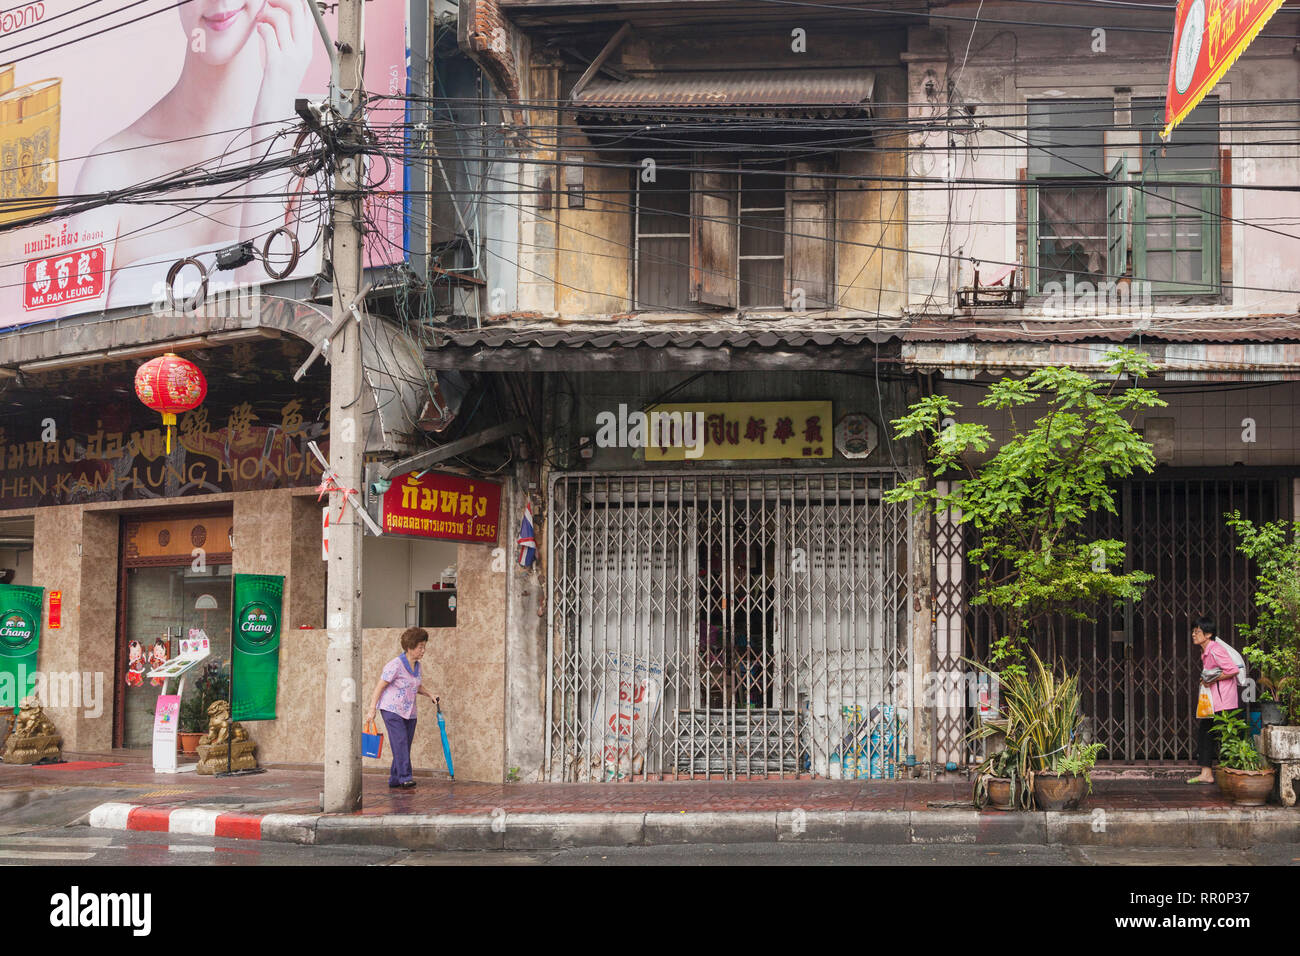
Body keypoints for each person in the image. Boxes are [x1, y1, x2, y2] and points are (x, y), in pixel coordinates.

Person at [70, 0, 316, 309]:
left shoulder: (318, 148)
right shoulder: (110, 167)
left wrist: (272, 112)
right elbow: (64, 347)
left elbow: (270, 317)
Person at [366, 628, 438, 789]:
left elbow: (416, 686)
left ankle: (395, 778)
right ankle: (405, 777)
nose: (423, 650)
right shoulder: (395, 665)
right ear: (410, 647)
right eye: (420, 647)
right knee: (400, 742)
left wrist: (430, 694)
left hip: (410, 711)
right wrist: (372, 709)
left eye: (424, 646)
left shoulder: (417, 666)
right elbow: (379, 687)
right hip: (392, 710)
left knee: (404, 745)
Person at [1188, 616, 1239, 784]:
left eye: (1198, 632)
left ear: (1208, 634)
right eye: (1193, 631)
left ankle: (1229, 774)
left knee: (1224, 736)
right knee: (1206, 734)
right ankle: (1207, 773)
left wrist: (1212, 680)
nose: (1194, 635)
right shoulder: (1207, 650)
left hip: (1223, 701)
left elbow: (1232, 670)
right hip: (1213, 702)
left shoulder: (1215, 649)